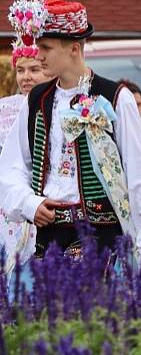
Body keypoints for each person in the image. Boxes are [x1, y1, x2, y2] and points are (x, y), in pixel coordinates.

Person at [0, 0, 141, 257]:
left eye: (45, 48)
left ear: (74, 48)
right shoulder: (37, 101)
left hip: (102, 237)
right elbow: (11, 166)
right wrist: (30, 203)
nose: (37, 55)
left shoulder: (116, 98)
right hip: (49, 236)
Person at [0, 41, 51, 270]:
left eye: (34, 69)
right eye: (20, 70)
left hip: (46, 207)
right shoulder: (5, 109)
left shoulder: (56, 107)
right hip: (10, 208)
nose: (26, 77)